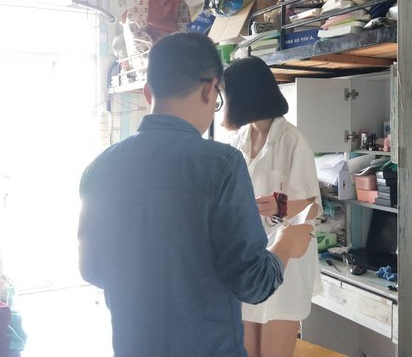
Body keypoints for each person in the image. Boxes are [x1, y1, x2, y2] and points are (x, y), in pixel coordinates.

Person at [78, 33, 313, 357]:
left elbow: (91, 269)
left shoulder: (100, 167)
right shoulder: (222, 164)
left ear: (148, 92)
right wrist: (285, 243)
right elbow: (254, 283)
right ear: (209, 89)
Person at [222, 57, 323, 357]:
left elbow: (313, 207)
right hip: (249, 256)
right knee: (247, 350)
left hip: (286, 261)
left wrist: (279, 205)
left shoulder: (293, 140)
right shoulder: (240, 138)